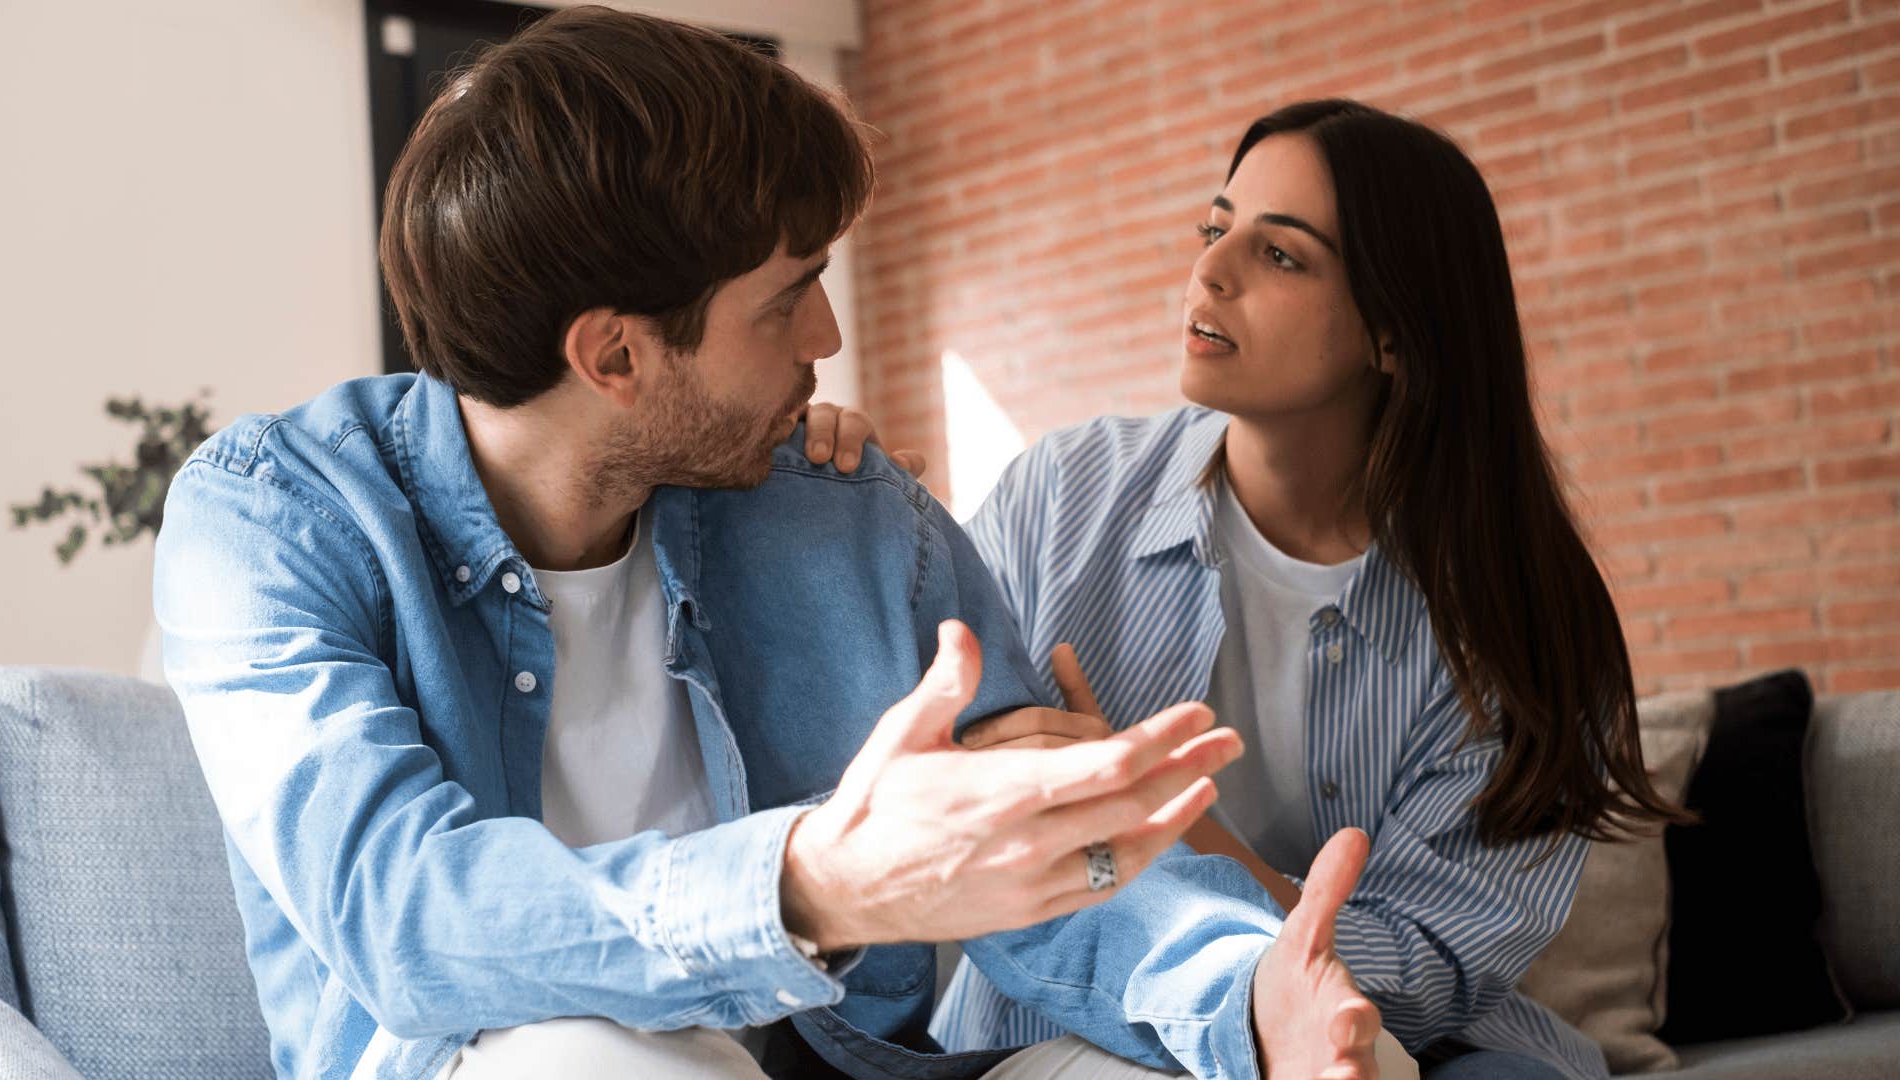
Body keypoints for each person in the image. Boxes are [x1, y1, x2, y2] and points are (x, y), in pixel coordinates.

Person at [154, 13, 1390, 1080]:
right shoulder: (273, 520)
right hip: (507, 1061)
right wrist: (817, 882)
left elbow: (1049, 858)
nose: (829, 331)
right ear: (617, 357)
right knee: (598, 1058)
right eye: (786, 294)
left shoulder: (841, 507)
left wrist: (1248, 988)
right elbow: (403, 918)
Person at [809, 99, 1688, 1080]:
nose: (1208, 271)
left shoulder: (1516, 624)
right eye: (1215, 228)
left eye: (1281, 256)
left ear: (1395, 332)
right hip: (1068, 1026)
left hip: (1409, 1047)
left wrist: (1162, 813)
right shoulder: (1065, 496)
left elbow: (1429, 972)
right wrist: (844, 518)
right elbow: (900, 774)